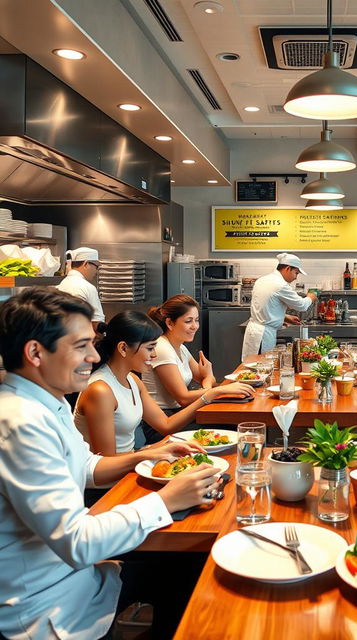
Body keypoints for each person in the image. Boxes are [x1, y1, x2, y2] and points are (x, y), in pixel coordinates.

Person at [0, 287, 221, 639]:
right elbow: (78, 542)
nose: (93, 355)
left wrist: (146, 455)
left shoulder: (45, 402)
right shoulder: (20, 424)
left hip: (76, 577)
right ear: (35, 353)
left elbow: (85, 465)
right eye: (81, 346)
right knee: (192, 570)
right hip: (48, 605)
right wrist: (166, 499)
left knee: (189, 567)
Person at [75, 310, 254, 454]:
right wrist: (152, 450)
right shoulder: (100, 390)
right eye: (150, 348)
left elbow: (166, 425)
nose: (154, 355)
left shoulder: (133, 380)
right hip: (107, 488)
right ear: (123, 348)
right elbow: (107, 461)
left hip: (129, 466)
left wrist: (210, 395)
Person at [242, 252, 317, 360]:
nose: (296, 277)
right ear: (287, 268)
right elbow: (302, 305)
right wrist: (311, 296)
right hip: (263, 335)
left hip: (255, 331)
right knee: (261, 367)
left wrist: (285, 317)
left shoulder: (263, 279)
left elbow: (264, 306)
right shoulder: (280, 285)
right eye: (296, 273)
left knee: (252, 365)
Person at [57, 246, 105, 329]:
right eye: (96, 267)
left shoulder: (62, 284)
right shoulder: (88, 287)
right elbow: (96, 324)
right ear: (86, 264)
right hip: (81, 336)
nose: (96, 271)